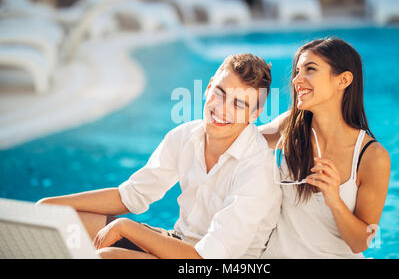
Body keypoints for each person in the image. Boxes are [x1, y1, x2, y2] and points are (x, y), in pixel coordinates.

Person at [37, 54, 282, 259]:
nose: (222, 109)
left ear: (256, 113)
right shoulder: (185, 136)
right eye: (220, 93)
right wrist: (51, 205)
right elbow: (131, 196)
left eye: (239, 105)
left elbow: (205, 258)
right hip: (177, 244)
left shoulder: (257, 170)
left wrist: (127, 227)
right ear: (208, 87)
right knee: (66, 221)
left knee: (107, 257)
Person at [259, 38, 391, 258]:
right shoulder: (289, 128)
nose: (296, 80)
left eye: (310, 70)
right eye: (297, 71)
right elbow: (237, 139)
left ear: (343, 80)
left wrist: (334, 200)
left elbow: (362, 242)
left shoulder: (372, 157)